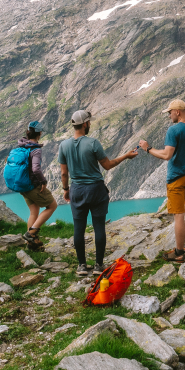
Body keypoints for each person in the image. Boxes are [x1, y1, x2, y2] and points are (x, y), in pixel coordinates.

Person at [59, 109, 139, 275]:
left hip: (77, 190)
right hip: (95, 189)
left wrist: (66, 190)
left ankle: (81, 265)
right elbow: (108, 165)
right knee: (99, 227)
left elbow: (64, 173)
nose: (90, 124)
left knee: (78, 228)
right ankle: (98, 265)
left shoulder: (64, 146)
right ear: (86, 124)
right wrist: (126, 156)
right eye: (89, 122)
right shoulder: (93, 143)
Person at [138, 99, 185, 262]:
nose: (168, 115)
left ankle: (179, 252)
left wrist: (148, 148)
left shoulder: (174, 130)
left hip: (176, 178)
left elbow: (167, 155)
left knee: (179, 215)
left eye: (169, 112)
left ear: (177, 112)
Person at [19, 121, 56, 250]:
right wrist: (43, 181)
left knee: (33, 212)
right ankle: (31, 233)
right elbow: (35, 169)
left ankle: (31, 244)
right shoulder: (35, 149)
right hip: (31, 185)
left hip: (22, 185)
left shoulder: (22, 145)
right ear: (40, 133)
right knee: (52, 206)